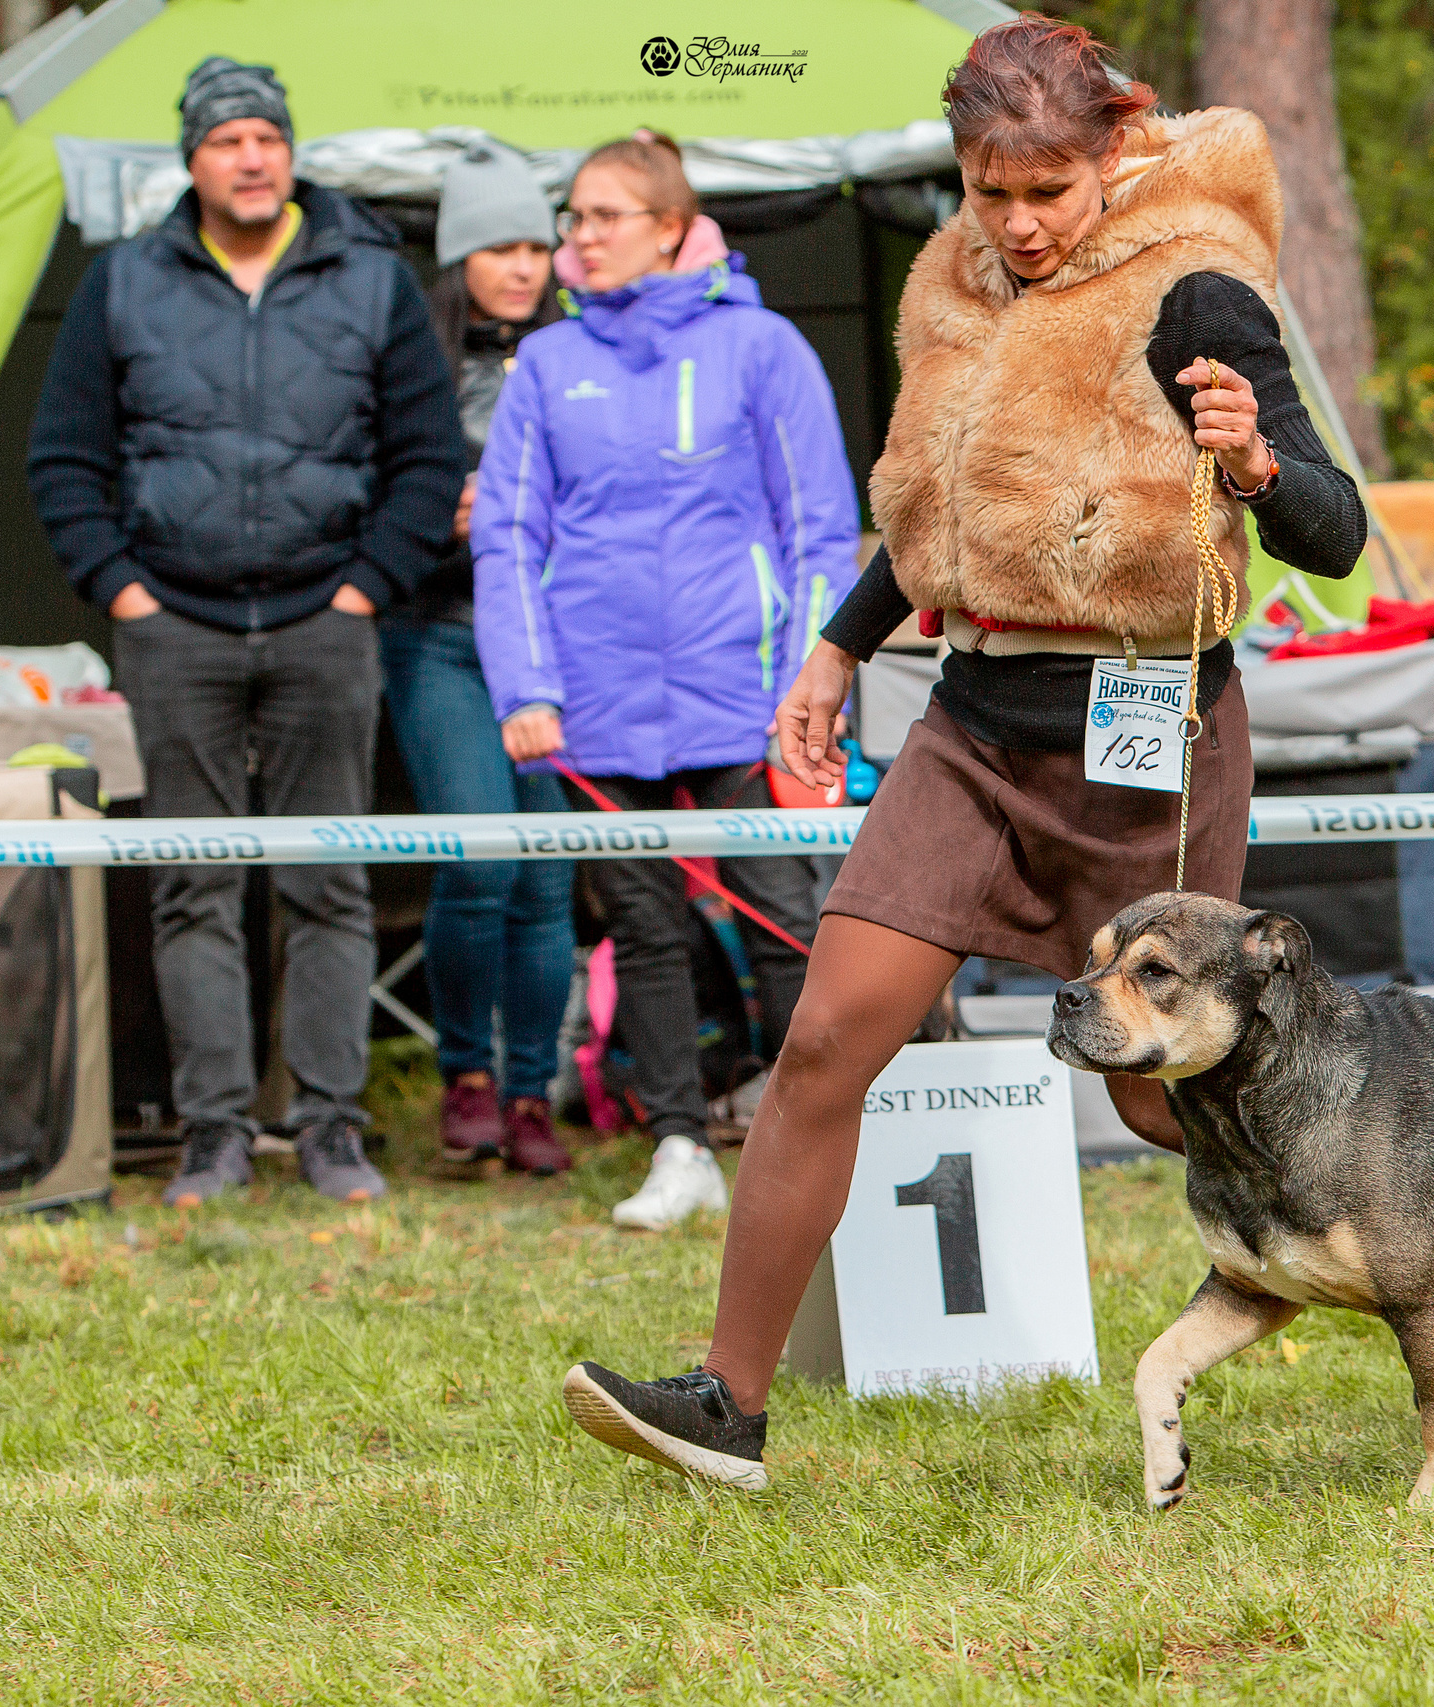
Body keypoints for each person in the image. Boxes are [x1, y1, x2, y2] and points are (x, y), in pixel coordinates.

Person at [556, 17, 1367, 1486]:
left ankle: (1429, 1226)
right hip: (974, 726)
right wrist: (837, 645)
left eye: (1048, 189)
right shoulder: (957, 285)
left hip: (1146, 737)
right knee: (826, 1035)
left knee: (1155, 1091)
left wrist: (1254, 462)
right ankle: (726, 1407)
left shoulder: (1194, 287)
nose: (1020, 221)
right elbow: (936, 510)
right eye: (992, 191)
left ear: (1113, 154)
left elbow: (1338, 532)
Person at [28, 57, 464, 1207]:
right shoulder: (123, 281)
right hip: (174, 629)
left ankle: (331, 1131)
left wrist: (366, 587)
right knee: (194, 885)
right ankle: (213, 1135)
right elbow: (63, 458)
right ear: (193, 161)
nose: (252, 157)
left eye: (267, 136)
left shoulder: (372, 278)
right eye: (227, 141)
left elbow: (427, 459)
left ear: (290, 151)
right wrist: (122, 590)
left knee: (329, 882)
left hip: (329, 622)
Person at [471, 130, 859, 1234]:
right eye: (573, 218)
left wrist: (808, 681)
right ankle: (680, 1146)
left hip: (748, 694)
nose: (580, 238)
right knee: (642, 929)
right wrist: (525, 687)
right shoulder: (547, 363)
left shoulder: (763, 346)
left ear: (673, 228)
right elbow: (507, 535)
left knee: (784, 915)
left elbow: (819, 528)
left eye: (606, 216)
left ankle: (815, 1141)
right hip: (593, 702)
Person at [383, 144, 574, 1179]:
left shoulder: (576, 357)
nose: (523, 266)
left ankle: (531, 1094)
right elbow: (365, 495)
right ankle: (465, 1075)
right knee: (481, 859)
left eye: (536, 247)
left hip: (551, 644)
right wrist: (435, 516)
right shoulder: (409, 364)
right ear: (459, 258)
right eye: (499, 248)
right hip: (440, 632)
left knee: (545, 877)